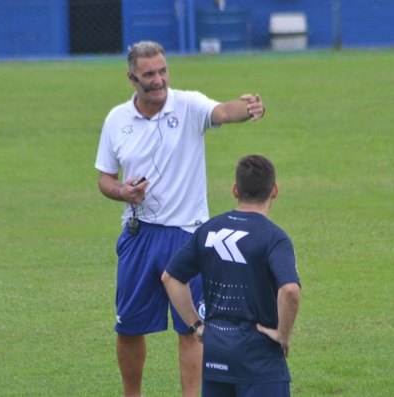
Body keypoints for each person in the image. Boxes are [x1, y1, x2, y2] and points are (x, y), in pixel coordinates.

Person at [94, 41, 266, 397]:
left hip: (188, 237)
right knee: (128, 327)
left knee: (192, 328)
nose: (158, 80)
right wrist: (123, 192)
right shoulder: (116, 120)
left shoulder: (187, 105)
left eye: (162, 71)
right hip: (140, 235)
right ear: (131, 78)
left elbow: (221, 112)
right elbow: (105, 179)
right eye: (148, 75)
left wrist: (245, 108)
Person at [162, 154, 301, 397]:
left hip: (217, 355)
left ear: (235, 189)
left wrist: (196, 326)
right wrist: (283, 335)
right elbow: (289, 290)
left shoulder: (208, 230)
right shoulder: (274, 238)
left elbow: (171, 278)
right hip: (259, 359)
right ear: (275, 190)